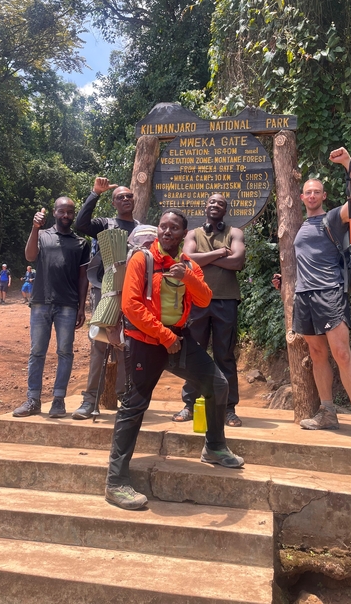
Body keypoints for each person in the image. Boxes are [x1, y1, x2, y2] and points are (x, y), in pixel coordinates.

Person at [105, 209, 244, 511]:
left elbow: (205, 298)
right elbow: (131, 305)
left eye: (174, 228)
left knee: (217, 384)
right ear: (158, 232)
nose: (167, 232)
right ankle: (116, 482)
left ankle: (215, 447)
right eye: (163, 227)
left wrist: (188, 278)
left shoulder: (188, 264)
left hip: (178, 339)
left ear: (183, 234)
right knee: (135, 404)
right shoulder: (142, 260)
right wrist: (164, 337)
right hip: (145, 342)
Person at [273, 147, 351, 443]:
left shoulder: (334, 217)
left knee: (342, 354)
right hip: (303, 296)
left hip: (330, 292)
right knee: (317, 355)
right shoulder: (300, 226)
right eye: (308, 192)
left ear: (323, 196)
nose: (313, 195)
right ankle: (327, 412)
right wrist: (285, 282)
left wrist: (348, 163)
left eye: (317, 191)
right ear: (302, 198)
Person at [12, 198, 90, 419]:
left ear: (73, 215)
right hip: (40, 303)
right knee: (37, 352)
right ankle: (33, 400)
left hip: (68, 304)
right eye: (62, 211)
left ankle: (58, 400)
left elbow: (83, 278)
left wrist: (81, 307)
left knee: (65, 353)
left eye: (70, 212)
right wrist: (35, 227)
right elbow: (30, 256)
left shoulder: (80, 243)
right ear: (55, 212)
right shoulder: (43, 235)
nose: (66, 215)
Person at [173, 194, 246, 427]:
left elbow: (237, 262)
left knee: (225, 355)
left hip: (226, 301)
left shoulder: (235, 233)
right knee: (194, 353)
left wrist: (202, 260)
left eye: (221, 204)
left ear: (225, 210)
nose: (215, 205)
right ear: (205, 207)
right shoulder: (194, 234)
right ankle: (190, 404)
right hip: (197, 301)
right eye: (212, 202)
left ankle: (228, 409)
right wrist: (218, 254)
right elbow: (187, 261)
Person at [71, 178, 139, 420]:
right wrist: (94, 194)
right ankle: (89, 400)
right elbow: (81, 223)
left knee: (124, 346)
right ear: (113, 202)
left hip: (131, 294)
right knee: (99, 344)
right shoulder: (104, 224)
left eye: (129, 196)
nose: (125, 199)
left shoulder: (141, 230)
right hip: (105, 290)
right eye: (120, 197)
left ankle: (125, 399)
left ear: (134, 199)